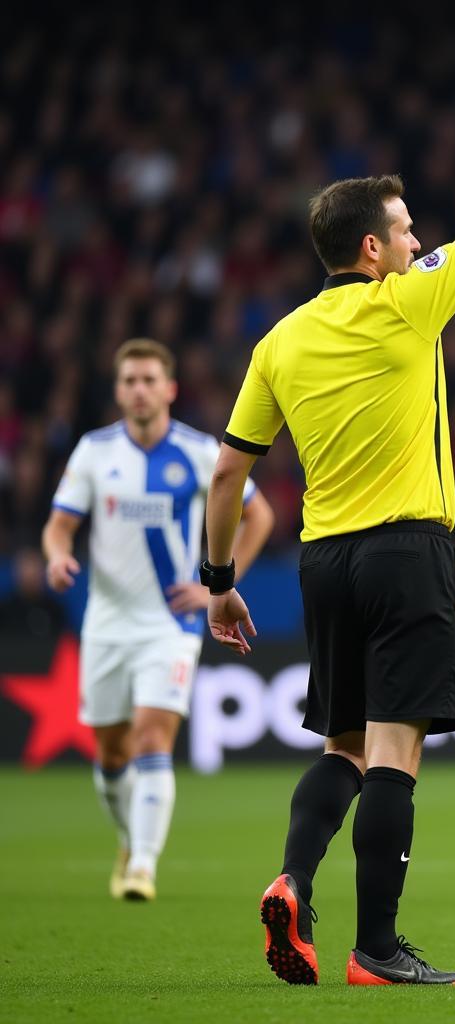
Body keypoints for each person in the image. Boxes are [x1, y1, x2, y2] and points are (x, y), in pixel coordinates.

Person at [200, 81, 455, 987]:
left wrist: (219, 576)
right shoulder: (404, 302)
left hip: (323, 561)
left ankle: (293, 881)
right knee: (395, 753)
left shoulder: (277, 342)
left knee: (341, 748)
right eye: (406, 230)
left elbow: (229, 470)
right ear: (371, 249)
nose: (420, 242)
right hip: (405, 554)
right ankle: (377, 950)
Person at [41, 338, 273, 901]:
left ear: (169, 389)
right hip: (107, 623)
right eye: (129, 381)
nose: (139, 390)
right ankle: (129, 838)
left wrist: (216, 582)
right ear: (118, 391)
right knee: (111, 753)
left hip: (170, 625)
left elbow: (259, 514)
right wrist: (56, 557)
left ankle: (143, 865)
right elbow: (59, 526)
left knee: (151, 738)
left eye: (149, 380)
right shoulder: (95, 452)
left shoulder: (198, 451)